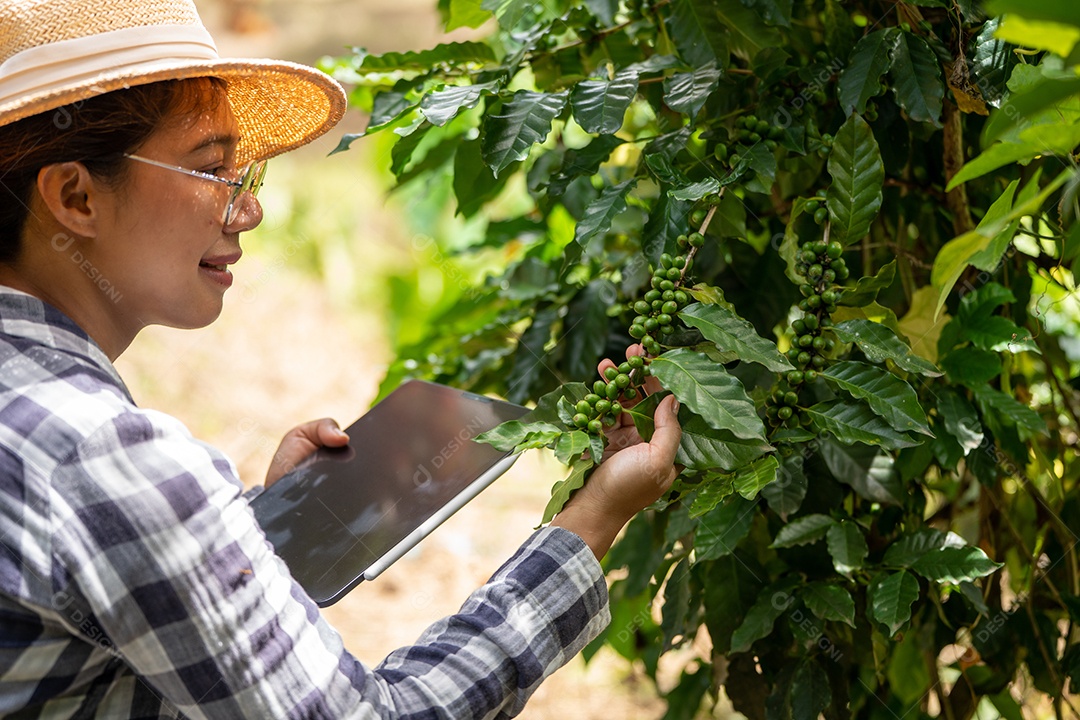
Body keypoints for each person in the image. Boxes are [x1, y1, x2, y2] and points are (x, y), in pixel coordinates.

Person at [0, 1, 682, 717]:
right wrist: (592, 523)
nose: (248, 211)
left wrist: (246, 540)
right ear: (76, 196)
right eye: (214, 171)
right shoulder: (106, 458)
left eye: (246, 175)